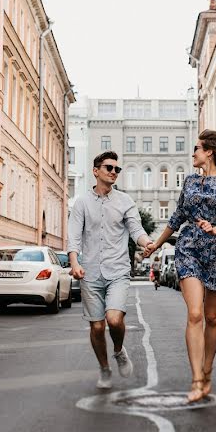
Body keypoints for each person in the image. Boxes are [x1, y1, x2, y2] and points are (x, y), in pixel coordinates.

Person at [146, 130, 216, 403]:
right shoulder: (188, 182)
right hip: (189, 249)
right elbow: (176, 218)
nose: (193, 152)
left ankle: (207, 370)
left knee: (212, 317)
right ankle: (196, 379)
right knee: (195, 314)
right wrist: (156, 243)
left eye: (197, 148)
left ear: (209, 151)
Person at [68, 150, 152, 389]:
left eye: (117, 169)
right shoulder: (81, 202)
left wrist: (146, 243)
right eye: (109, 168)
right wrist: (75, 263)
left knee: (114, 320)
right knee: (96, 325)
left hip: (117, 271)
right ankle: (104, 368)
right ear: (96, 171)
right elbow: (74, 237)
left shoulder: (125, 201)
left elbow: (136, 230)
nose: (114, 172)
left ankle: (118, 350)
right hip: (90, 272)